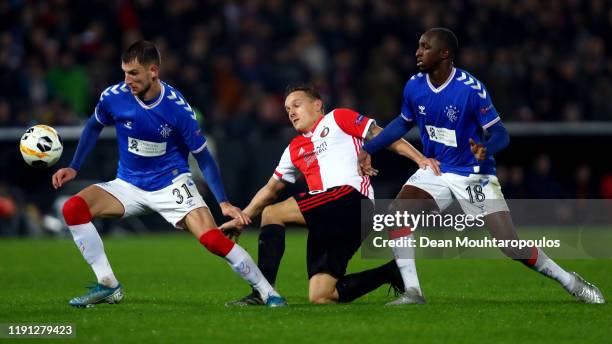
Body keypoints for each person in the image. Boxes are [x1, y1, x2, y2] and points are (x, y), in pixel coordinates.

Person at [359, 27, 605, 304]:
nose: (417, 52)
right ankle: (413, 291)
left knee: (510, 246)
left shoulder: (470, 89)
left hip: (473, 175)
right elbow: (402, 123)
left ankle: (570, 281)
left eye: (425, 47)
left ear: (445, 53)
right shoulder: (414, 85)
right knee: (398, 213)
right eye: (418, 45)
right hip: (437, 169)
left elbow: (501, 133)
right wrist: (368, 149)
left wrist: (486, 149)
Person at [51, 41, 286, 308]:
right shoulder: (114, 97)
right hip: (128, 184)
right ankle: (108, 285)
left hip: (171, 183)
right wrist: (74, 166)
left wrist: (223, 202)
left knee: (211, 239)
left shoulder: (177, 109)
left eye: (134, 73)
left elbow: (204, 158)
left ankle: (268, 292)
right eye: (125, 72)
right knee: (73, 209)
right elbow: (93, 126)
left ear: (153, 71)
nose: (127, 80)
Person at [221, 85, 440, 305]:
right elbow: (271, 189)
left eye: (297, 105)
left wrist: (419, 159)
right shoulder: (293, 149)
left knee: (272, 213)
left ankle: (262, 292)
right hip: (328, 217)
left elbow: (381, 135)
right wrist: (243, 217)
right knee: (321, 295)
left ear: (318, 105)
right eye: (287, 110)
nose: (291, 112)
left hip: (351, 200)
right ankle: (391, 272)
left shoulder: (337, 118)